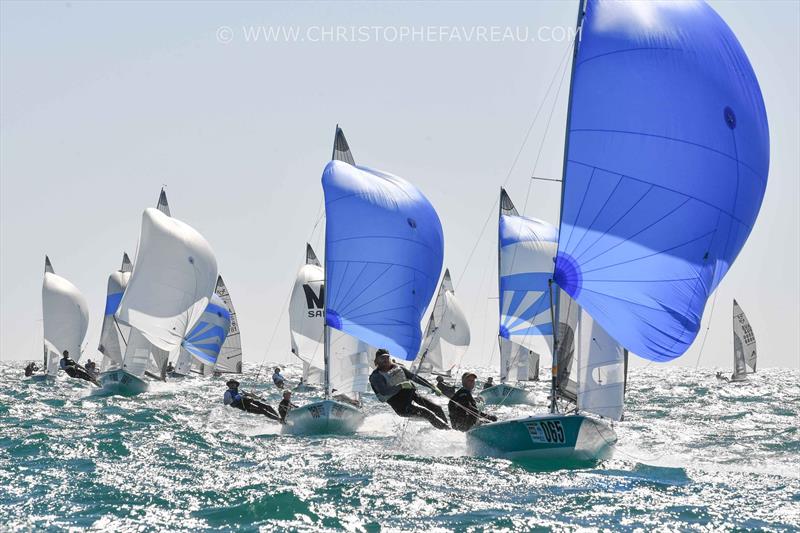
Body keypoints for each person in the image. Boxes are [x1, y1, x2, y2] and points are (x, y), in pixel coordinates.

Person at [369, 349, 449, 430]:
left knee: (437, 408)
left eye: (387, 357)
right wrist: (401, 386)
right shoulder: (376, 376)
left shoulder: (398, 368)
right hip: (402, 407)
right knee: (427, 414)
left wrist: (432, 386)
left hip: (413, 396)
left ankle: (448, 429)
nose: (385, 360)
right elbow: (384, 392)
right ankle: (447, 431)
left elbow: (415, 378)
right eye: (382, 358)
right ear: (377, 361)